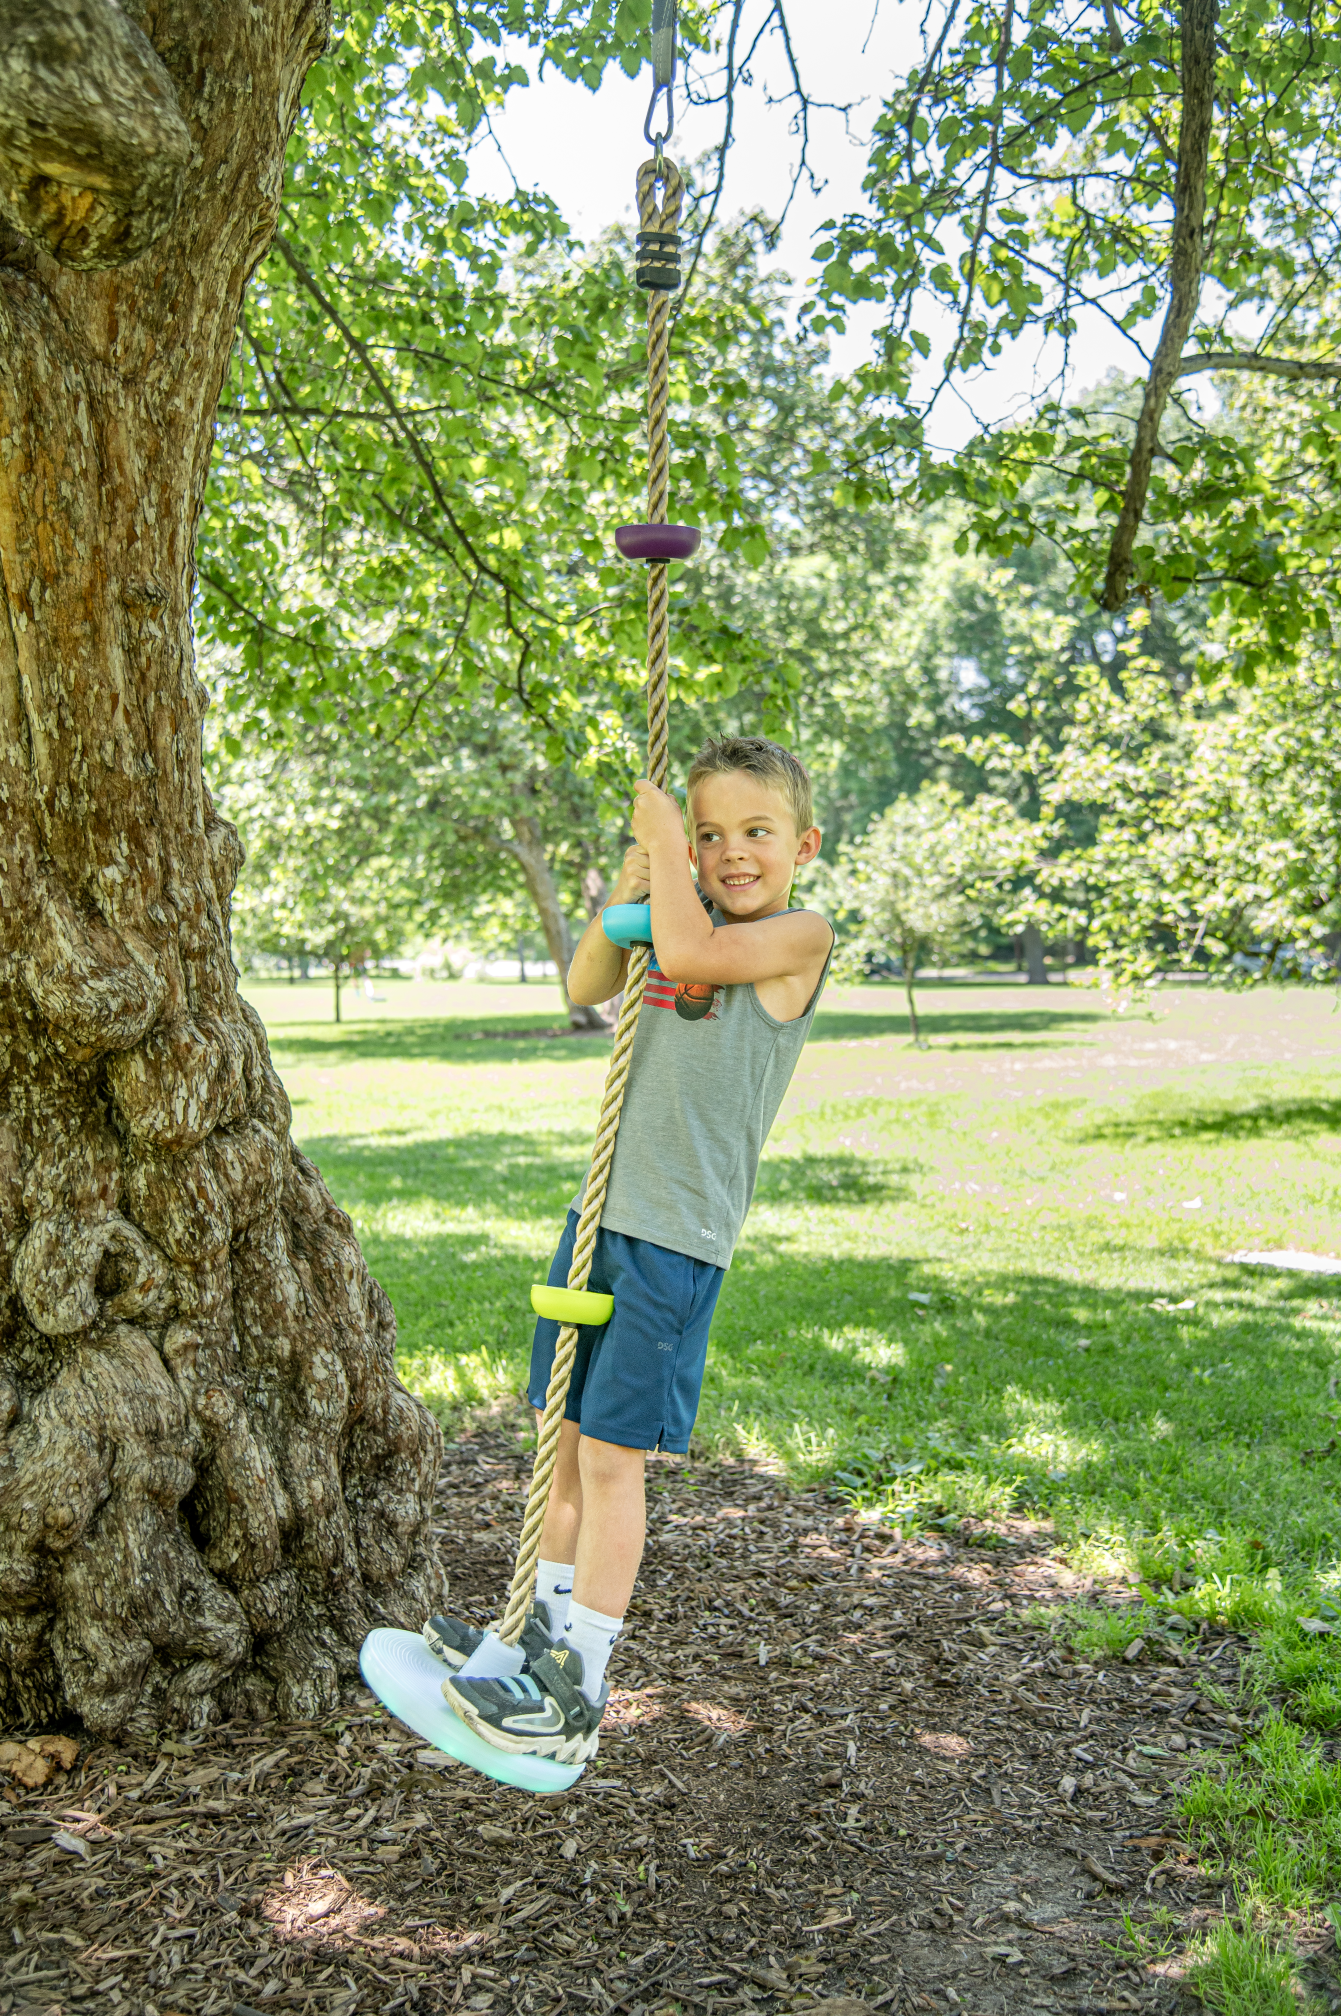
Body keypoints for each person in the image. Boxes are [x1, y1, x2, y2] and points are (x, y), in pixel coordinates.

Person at [424, 736, 834, 1765]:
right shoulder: (670, 917)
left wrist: (666, 843)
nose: (732, 852)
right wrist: (638, 869)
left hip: (673, 1240)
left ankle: (580, 1682)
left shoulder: (798, 936)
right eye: (709, 834)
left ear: (805, 845)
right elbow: (586, 975)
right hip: (597, 1219)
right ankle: (529, 1645)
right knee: (559, 1444)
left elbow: (694, 959)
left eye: (756, 832)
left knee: (612, 1459)